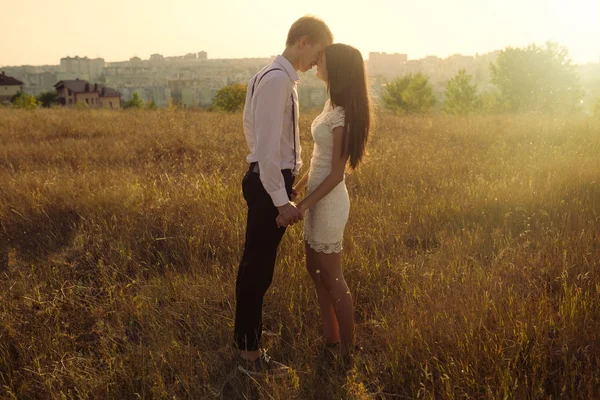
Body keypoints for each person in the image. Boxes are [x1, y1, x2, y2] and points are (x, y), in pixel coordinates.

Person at [234, 16, 334, 377]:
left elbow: (254, 132)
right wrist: (280, 198)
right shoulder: (277, 80)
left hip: (270, 180)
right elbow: (264, 147)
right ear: (303, 41)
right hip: (268, 183)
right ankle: (250, 356)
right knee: (258, 271)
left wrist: (281, 184)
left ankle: (246, 344)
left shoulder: (269, 75)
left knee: (254, 267)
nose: (316, 63)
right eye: (317, 53)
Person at [279, 43, 372, 361]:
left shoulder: (344, 115)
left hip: (330, 203)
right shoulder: (331, 104)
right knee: (314, 270)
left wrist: (302, 206)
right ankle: (330, 339)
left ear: (338, 69)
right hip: (315, 197)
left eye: (324, 59)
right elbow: (319, 160)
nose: (318, 62)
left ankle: (348, 353)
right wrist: (297, 188)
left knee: (333, 276)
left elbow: (335, 174)